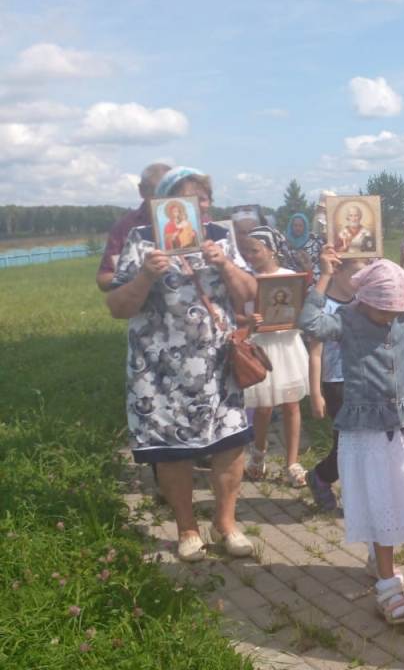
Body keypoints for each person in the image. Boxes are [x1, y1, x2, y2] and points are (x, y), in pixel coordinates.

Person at [106, 166, 258, 562]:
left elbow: (249, 292)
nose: (201, 206)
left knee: (230, 443)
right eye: (190, 199)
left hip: (217, 364)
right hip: (159, 371)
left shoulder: (222, 236)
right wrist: (144, 276)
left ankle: (226, 524)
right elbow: (117, 307)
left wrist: (225, 265)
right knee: (172, 450)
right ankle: (187, 529)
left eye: (204, 198)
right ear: (167, 203)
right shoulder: (142, 240)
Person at [299, 253, 404, 625]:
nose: (389, 317)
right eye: (382, 310)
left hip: (402, 426)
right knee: (381, 498)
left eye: (395, 310)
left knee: (393, 496)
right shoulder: (347, 321)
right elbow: (309, 322)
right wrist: (324, 277)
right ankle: (388, 587)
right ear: (364, 299)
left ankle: (377, 559)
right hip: (367, 431)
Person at [239, 226, 311, 488]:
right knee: (263, 406)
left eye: (255, 250)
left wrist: (297, 315)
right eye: (246, 251)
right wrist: (249, 321)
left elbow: (300, 308)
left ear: (271, 250)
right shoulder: (245, 279)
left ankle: (292, 462)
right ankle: (258, 454)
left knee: (291, 404)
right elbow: (237, 312)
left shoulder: (290, 277)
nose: (250, 256)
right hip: (260, 347)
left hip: (286, 345)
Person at [305, 255, 371, 513]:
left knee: (361, 440)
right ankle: (323, 477)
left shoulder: (361, 302)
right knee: (347, 442)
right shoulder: (324, 307)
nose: (359, 281)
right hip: (336, 382)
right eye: (355, 274)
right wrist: (315, 392)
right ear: (338, 271)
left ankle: (338, 484)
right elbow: (315, 353)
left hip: (363, 380)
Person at [96, 163, 170, 292]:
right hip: (142, 300)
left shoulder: (195, 221)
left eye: (170, 191)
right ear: (142, 191)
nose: (164, 199)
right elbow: (103, 279)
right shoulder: (124, 227)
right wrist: (141, 275)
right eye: (157, 192)